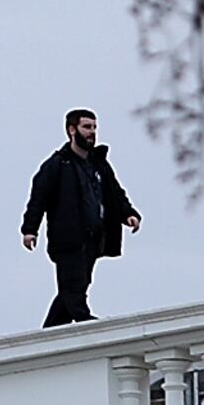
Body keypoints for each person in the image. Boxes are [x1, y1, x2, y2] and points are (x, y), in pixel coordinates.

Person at [20, 107, 143, 327]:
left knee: (76, 287)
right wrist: (30, 229)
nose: (92, 132)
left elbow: (115, 192)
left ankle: (50, 335)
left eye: (94, 127)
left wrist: (129, 214)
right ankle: (87, 323)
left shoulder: (99, 164)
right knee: (74, 287)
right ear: (72, 130)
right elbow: (39, 197)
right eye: (87, 127)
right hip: (67, 239)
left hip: (93, 239)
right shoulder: (57, 165)